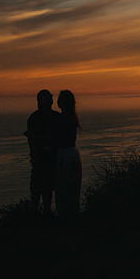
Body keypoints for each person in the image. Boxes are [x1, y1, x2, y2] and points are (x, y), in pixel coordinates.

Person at [25, 89, 59, 218]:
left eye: (49, 98)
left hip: (51, 160)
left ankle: (46, 215)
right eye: (45, 98)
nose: (48, 101)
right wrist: (35, 157)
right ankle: (34, 218)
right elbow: (32, 140)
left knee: (48, 190)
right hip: (40, 160)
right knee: (36, 191)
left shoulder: (56, 117)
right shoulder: (34, 118)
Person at [54, 90, 83, 223]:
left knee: (64, 189)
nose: (58, 100)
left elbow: (58, 138)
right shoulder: (70, 117)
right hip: (71, 154)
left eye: (60, 98)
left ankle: (67, 221)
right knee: (71, 190)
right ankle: (72, 219)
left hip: (66, 155)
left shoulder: (63, 118)